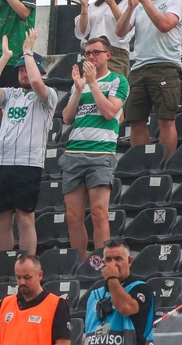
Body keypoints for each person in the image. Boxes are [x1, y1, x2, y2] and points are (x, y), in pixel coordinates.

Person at [0, 29, 58, 255]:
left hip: (27, 164)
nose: (24, 73)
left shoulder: (48, 95)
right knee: (0, 223)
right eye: (21, 70)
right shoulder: (11, 94)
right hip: (0, 163)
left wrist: (28, 51)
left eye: (28, 68)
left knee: (25, 219)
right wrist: (5, 57)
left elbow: (36, 81)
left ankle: (27, 266)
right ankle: (3, 266)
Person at [61, 37, 129, 262]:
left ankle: (103, 264)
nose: (90, 57)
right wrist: (80, 88)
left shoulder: (118, 80)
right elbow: (67, 117)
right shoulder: (78, 82)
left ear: (107, 55)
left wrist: (91, 83)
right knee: (73, 216)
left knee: (99, 213)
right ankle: (80, 263)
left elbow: (110, 112)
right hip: (74, 153)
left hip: (101, 153)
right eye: (87, 53)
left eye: (96, 52)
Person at [115, 0, 182, 158]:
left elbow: (165, 24)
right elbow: (120, 31)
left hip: (165, 66)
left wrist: (145, 1)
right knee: (135, 120)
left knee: (166, 120)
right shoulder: (138, 7)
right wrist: (130, 7)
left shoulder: (176, 2)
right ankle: (142, 164)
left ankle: (165, 165)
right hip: (139, 68)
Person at [0, 254, 72, 345]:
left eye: (27, 277)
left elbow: (63, 342)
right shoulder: (5, 303)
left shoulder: (56, 304)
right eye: (18, 277)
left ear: (40, 275)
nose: (22, 282)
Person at [84, 238, 155, 345]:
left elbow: (125, 308)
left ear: (129, 261)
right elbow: (89, 333)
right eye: (108, 259)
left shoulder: (141, 288)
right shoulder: (94, 295)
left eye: (118, 259)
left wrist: (112, 277)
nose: (113, 264)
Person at [75, 0, 134, 77]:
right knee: (91, 89)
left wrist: (111, 3)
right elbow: (82, 31)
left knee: (111, 89)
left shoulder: (128, 2)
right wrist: (84, 6)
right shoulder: (94, 6)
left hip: (115, 53)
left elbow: (125, 27)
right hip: (93, 54)